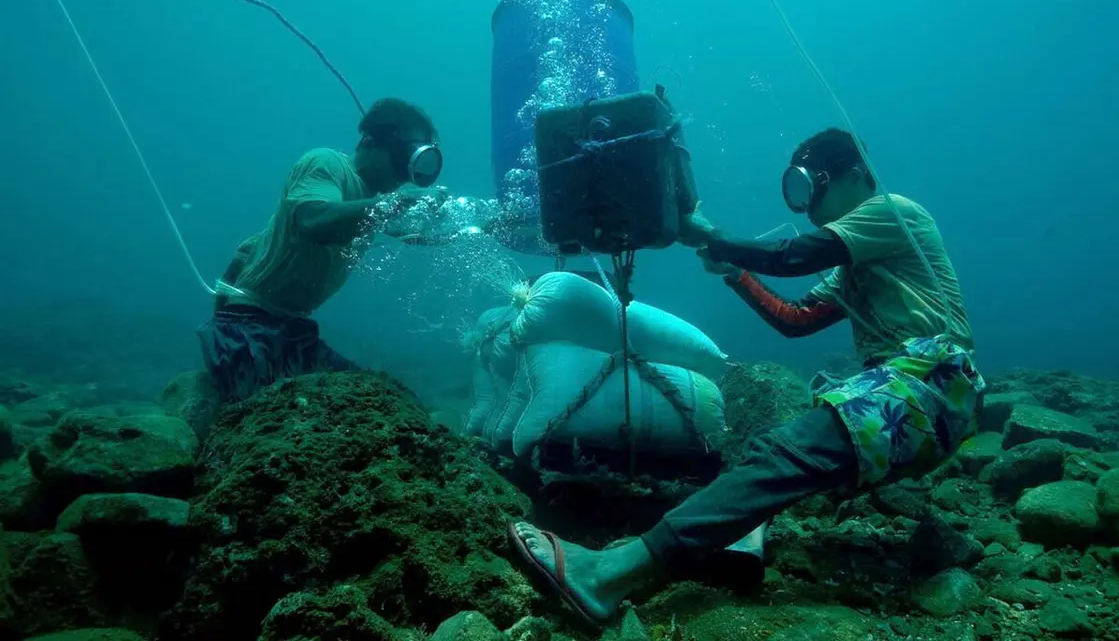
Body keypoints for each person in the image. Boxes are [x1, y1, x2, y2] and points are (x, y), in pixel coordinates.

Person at [507, 127, 986, 626]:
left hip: (930, 379)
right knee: (779, 455)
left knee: (782, 455)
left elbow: (792, 258)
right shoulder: (854, 265)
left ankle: (606, 575)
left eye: (811, 185)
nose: (807, 203)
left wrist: (712, 238)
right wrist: (734, 271)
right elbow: (793, 319)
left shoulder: (894, 211)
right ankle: (737, 537)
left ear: (857, 175)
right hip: (919, 399)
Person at [198, 97, 444, 401]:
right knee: (332, 413)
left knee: (386, 402)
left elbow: (249, 250)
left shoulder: (370, 202)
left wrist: (479, 227)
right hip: (249, 330)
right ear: (369, 141)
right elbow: (314, 220)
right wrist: (392, 205)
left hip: (290, 330)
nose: (404, 177)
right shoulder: (326, 164)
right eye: (402, 158)